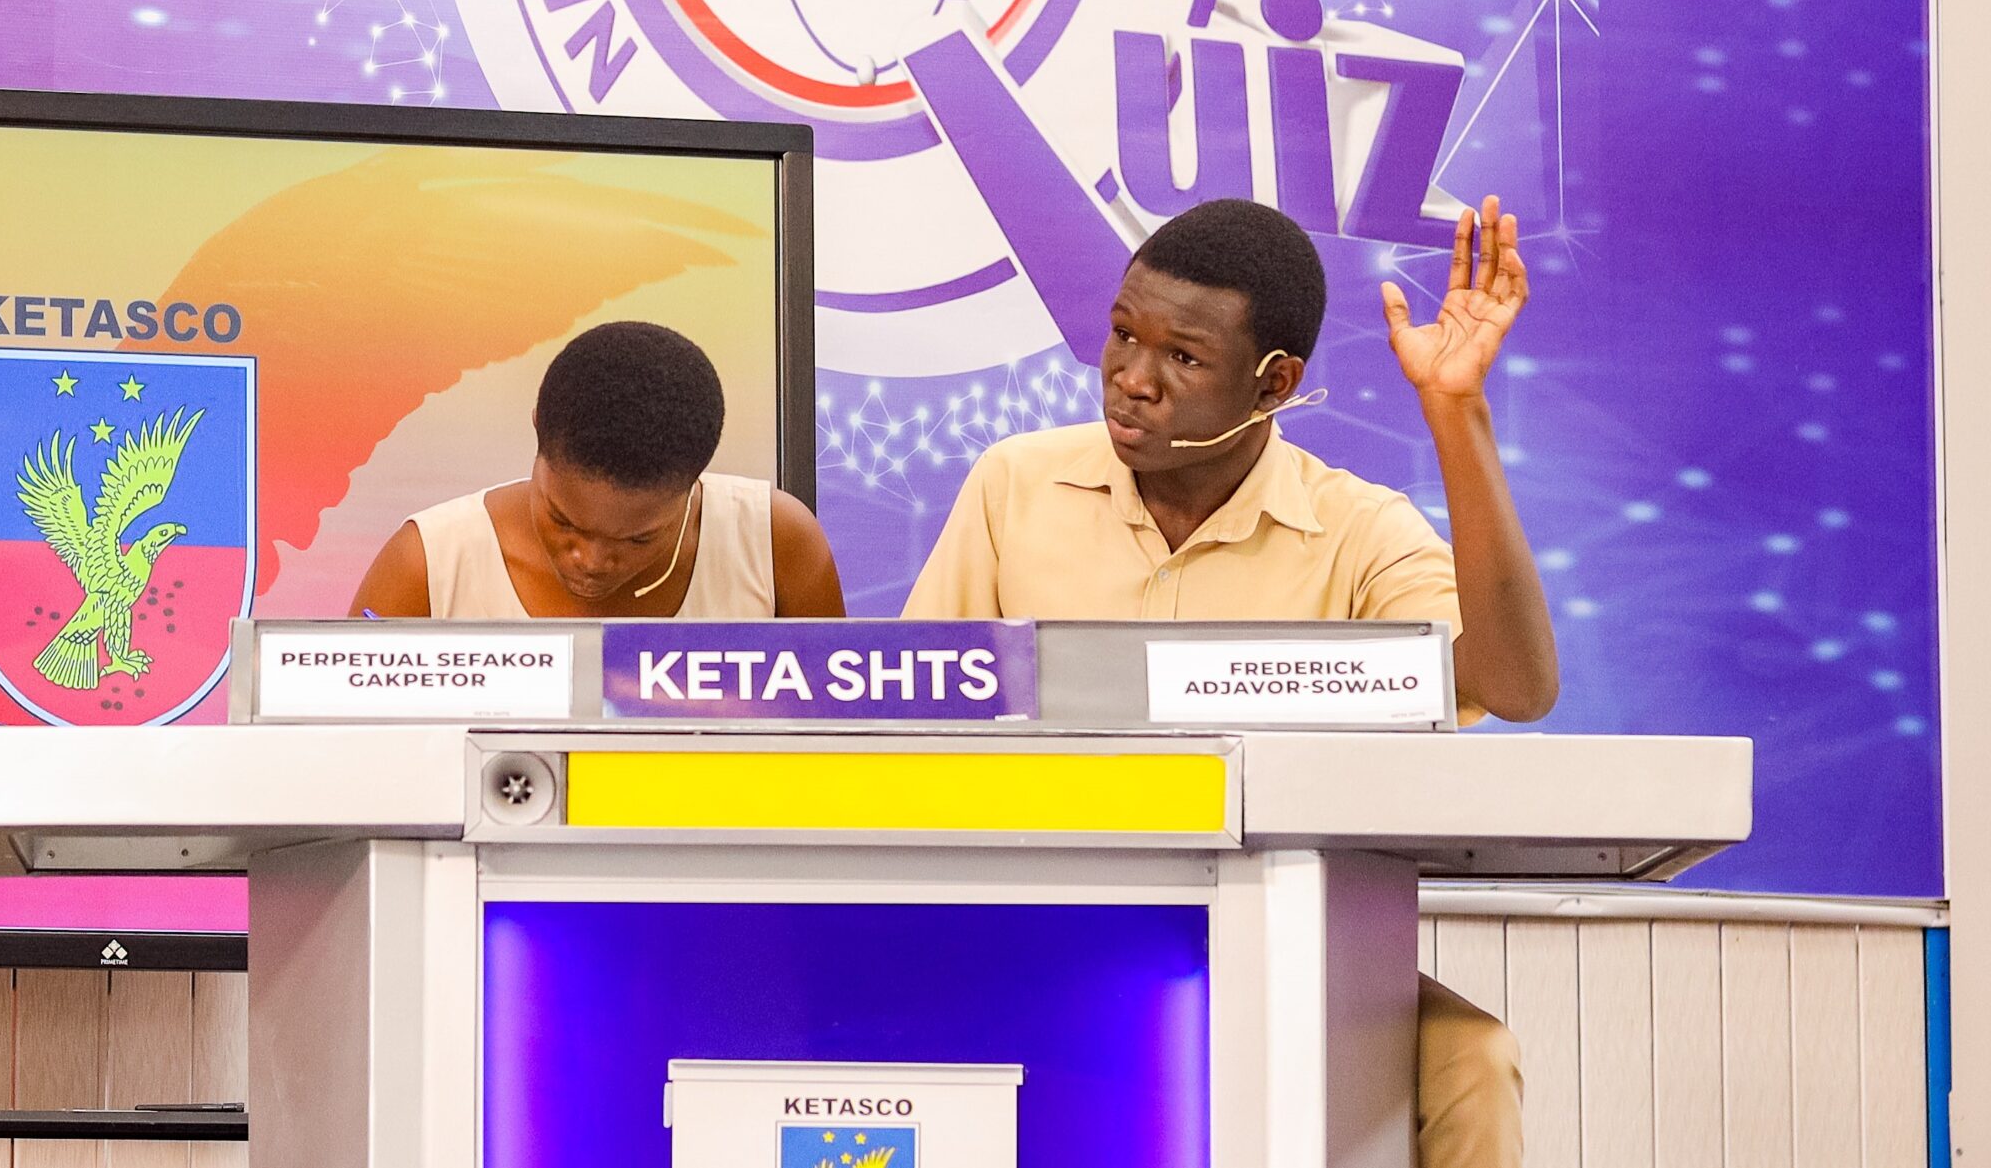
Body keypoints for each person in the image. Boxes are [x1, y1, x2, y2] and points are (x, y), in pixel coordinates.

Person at [903, 196, 1554, 1168]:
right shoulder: (1015, 485)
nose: (1132, 379)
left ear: (1274, 382)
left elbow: (1515, 685)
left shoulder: (1357, 531)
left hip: (1272, 949)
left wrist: (1455, 411)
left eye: (1183, 357)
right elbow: (917, 711)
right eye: (1123, 334)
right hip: (1039, 933)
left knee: (1472, 1058)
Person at [350, 320, 846, 619]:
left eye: (638, 539)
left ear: (696, 479)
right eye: (563, 520)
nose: (591, 560)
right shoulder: (429, 566)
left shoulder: (776, 545)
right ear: (538, 430)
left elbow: (841, 747)